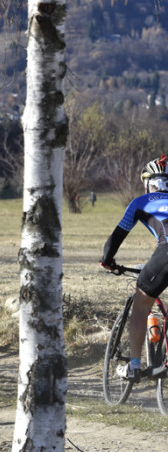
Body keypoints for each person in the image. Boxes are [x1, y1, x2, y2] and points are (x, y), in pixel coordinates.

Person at [100, 155, 168, 380]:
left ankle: (134, 366)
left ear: (150, 183)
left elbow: (117, 236)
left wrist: (107, 260)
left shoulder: (142, 202)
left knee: (140, 302)